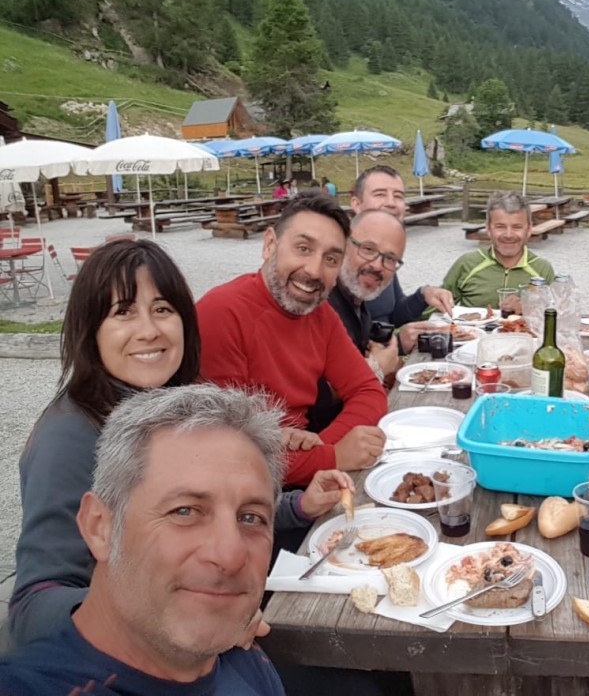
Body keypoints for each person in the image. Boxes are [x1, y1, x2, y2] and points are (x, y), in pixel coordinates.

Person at [7, 240, 352, 649]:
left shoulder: (171, 408)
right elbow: (33, 610)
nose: (149, 330)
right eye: (123, 312)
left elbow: (199, 511)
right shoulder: (69, 438)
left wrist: (297, 506)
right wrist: (174, 616)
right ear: (90, 329)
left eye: (163, 310)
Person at [0, 385, 291, 694]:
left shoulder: (249, 664)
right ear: (100, 527)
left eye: (250, 517)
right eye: (185, 511)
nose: (230, 555)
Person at [197, 192, 388, 485]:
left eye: (331, 259)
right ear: (270, 244)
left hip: (303, 479)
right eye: (302, 248)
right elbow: (232, 457)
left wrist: (321, 450)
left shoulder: (320, 314)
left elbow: (368, 390)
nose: (313, 270)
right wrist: (333, 456)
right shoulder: (221, 313)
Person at [306, 210, 414, 430]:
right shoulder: (314, 302)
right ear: (344, 244)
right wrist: (376, 368)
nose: (377, 265)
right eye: (368, 249)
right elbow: (308, 398)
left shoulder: (359, 305)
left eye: (390, 259)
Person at [352, 165, 454, 324]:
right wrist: (399, 341)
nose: (391, 202)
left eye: (398, 196)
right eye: (380, 194)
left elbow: (395, 314)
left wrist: (423, 295)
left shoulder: (387, 251)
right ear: (357, 205)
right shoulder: (340, 255)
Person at [442, 190, 555, 312]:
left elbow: (556, 317)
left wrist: (529, 308)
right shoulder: (467, 263)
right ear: (488, 229)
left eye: (517, 227)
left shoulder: (542, 269)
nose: (508, 235)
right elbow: (436, 310)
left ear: (529, 230)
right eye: (500, 227)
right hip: (471, 331)